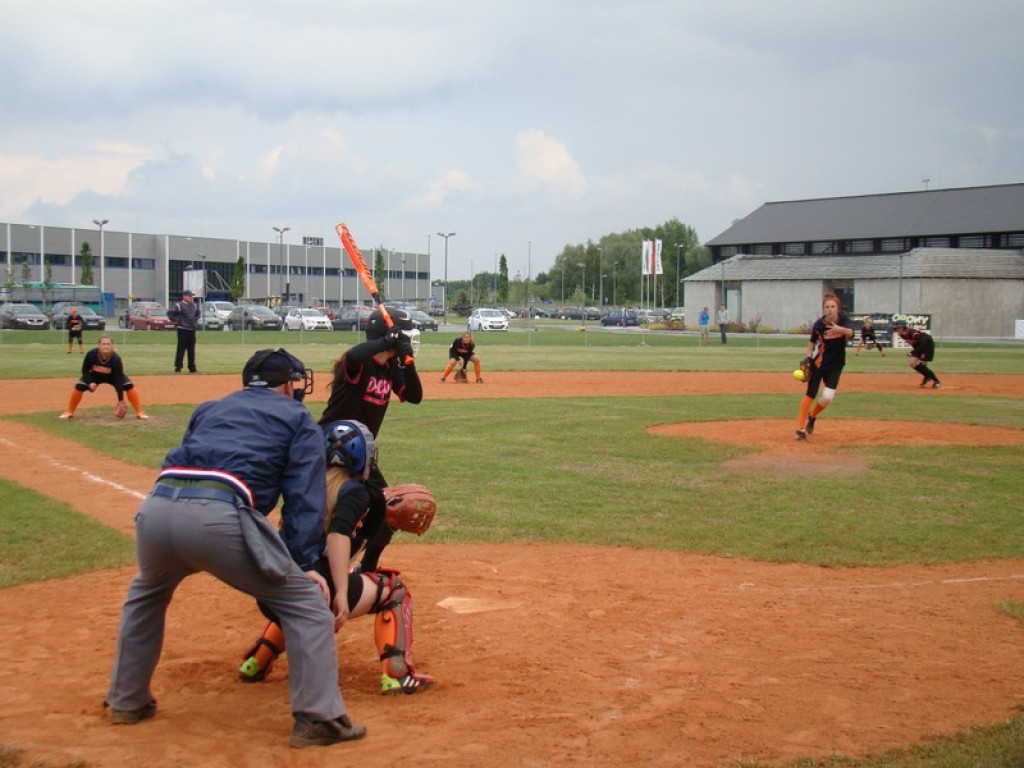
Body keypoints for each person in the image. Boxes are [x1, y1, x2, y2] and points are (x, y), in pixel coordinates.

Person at [104, 348, 367, 749]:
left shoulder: (209, 408)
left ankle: (127, 701)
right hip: (217, 518)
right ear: (286, 384)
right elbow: (303, 500)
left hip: (156, 510)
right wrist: (303, 564)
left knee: (145, 596)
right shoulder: (297, 417)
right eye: (295, 384)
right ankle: (320, 718)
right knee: (307, 606)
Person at [238, 420, 436, 695]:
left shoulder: (304, 486)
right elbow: (338, 534)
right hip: (317, 593)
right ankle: (397, 674)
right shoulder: (356, 491)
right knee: (394, 591)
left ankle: (257, 661)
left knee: (299, 593)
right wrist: (342, 591)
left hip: (270, 590)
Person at [319, 307, 423, 572]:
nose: (408, 341)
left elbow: (414, 395)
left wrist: (406, 361)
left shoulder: (389, 367)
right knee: (330, 514)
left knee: (388, 509)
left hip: (360, 452)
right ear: (387, 336)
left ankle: (366, 568)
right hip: (333, 447)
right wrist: (389, 341)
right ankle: (322, 566)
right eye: (405, 337)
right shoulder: (358, 363)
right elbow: (353, 355)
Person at [794, 293, 854, 441]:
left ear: (838, 308)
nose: (830, 309)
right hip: (819, 364)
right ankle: (800, 429)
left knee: (827, 397)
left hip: (836, 365)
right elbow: (811, 344)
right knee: (810, 394)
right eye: (827, 307)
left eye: (833, 307)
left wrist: (842, 330)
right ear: (823, 309)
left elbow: (851, 333)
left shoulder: (844, 319)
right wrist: (808, 358)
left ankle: (812, 416)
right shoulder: (819, 325)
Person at [59, 334, 148, 420]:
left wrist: (120, 400)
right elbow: (85, 370)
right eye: (103, 344)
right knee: (79, 386)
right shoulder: (91, 354)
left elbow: (118, 380)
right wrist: (90, 382)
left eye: (108, 344)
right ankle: (69, 411)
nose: (106, 346)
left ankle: (140, 412)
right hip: (95, 376)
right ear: (99, 345)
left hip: (113, 377)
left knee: (129, 385)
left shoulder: (116, 359)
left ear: (112, 345)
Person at [892, 322, 941, 388]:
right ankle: (927, 376)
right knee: (912, 363)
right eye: (896, 329)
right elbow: (915, 343)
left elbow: (924, 342)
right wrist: (914, 352)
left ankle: (937, 381)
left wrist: (921, 353)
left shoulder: (913, 333)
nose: (896, 330)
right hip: (920, 346)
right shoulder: (902, 335)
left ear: (903, 329)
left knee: (922, 364)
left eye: (898, 328)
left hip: (927, 344)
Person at [167, 289, 200, 373]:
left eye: (192, 296)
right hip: (182, 330)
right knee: (181, 349)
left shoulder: (194, 305)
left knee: (191, 349)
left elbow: (197, 314)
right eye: (189, 296)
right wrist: (178, 320)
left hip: (192, 330)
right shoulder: (179, 305)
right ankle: (178, 367)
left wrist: (194, 321)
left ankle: (192, 367)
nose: (191, 298)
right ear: (184, 296)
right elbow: (170, 313)